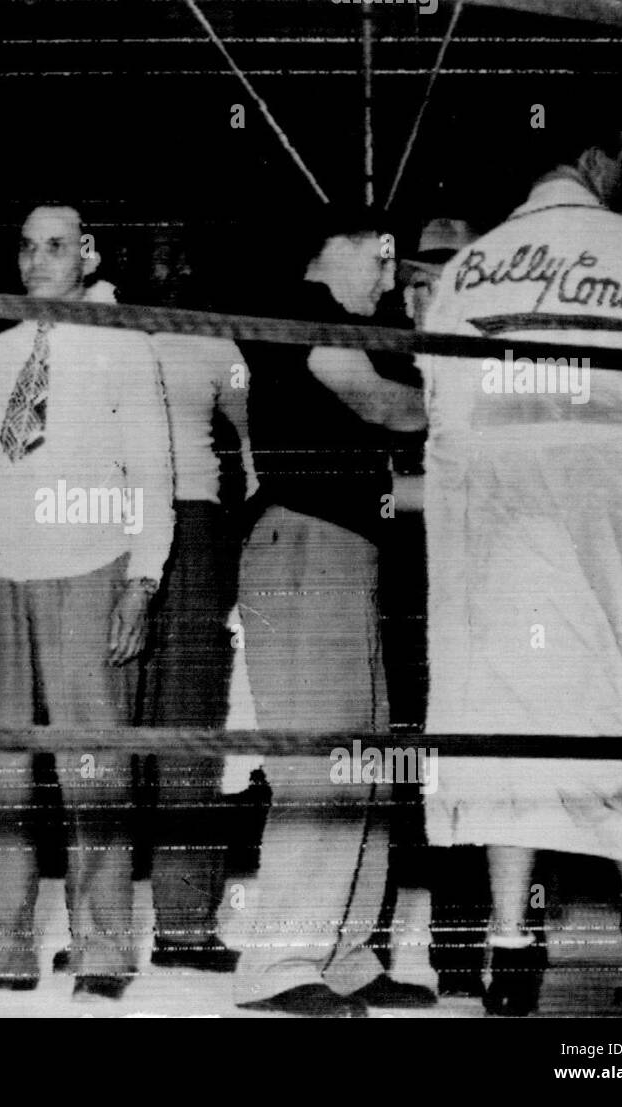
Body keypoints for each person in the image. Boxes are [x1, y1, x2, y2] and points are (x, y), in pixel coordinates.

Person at [419, 110, 622, 1016]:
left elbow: (444, 418)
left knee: (514, 735)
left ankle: (511, 951)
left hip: (503, 535)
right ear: (602, 158)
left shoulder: (466, 272)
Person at [0, 204, 174, 1000]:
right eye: (26, 246)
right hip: (0, 574)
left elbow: (153, 472)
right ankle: (2, 942)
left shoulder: (124, 345)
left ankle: (103, 945)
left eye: (55, 246)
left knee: (90, 764)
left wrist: (143, 581)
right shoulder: (1, 350)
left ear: (88, 253)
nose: (38, 260)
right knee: (4, 770)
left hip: (88, 564)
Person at [232, 206, 437, 1017]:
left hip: (344, 554)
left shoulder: (327, 326)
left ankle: (345, 954)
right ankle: (279, 963)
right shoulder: (305, 311)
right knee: (320, 763)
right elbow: (384, 406)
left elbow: (382, 474)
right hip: (303, 550)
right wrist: (468, 402)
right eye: (383, 262)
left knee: (365, 760)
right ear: (342, 248)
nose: (389, 282)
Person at [135, 269, 256, 971]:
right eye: (153, 251)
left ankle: (185, 927)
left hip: (194, 524)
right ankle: (102, 934)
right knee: (107, 729)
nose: (169, 270)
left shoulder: (217, 343)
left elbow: (250, 451)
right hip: (105, 527)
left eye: (182, 256)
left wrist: (241, 549)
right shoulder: (99, 333)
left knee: (188, 728)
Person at [397, 216, 497, 999]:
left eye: (451, 274)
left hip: (483, 590)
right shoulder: (378, 359)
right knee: (398, 766)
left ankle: (475, 947)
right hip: (394, 584)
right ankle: (423, 949)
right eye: (422, 278)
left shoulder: (499, 364)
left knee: (482, 761)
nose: (432, 291)